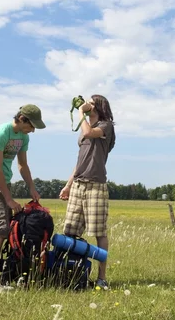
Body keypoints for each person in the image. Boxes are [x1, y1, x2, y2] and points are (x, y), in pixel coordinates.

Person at [0, 104, 45, 291]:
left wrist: (31, 187)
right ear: (23, 119)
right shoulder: (1, 133)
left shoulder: (23, 137)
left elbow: (22, 165)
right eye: (32, 126)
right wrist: (8, 199)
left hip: (4, 184)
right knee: (0, 229)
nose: (32, 131)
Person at [59, 94, 115, 290]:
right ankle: (72, 273)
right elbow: (79, 162)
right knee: (70, 230)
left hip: (96, 185)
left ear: (99, 106)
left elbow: (90, 132)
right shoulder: (83, 131)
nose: (86, 104)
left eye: (91, 102)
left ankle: (102, 277)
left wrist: (82, 113)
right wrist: (68, 185)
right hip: (78, 184)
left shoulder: (106, 125)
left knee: (99, 231)